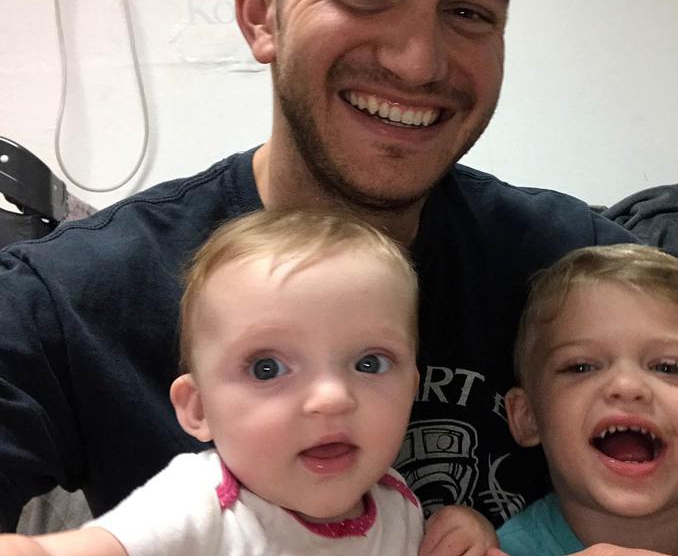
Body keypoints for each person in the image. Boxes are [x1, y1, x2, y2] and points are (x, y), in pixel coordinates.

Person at [0, 0, 678, 554]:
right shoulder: (75, 294)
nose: (419, 62)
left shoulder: (565, 260)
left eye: (467, 10)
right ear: (261, 13)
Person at [0, 209, 497, 555]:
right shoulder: (202, 504)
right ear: (198, 408)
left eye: (370, 363)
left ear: (412, 385)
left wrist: (461, 530)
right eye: (267, 368)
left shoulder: (397, 502)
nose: (331, 398)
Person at [495, 244, 678, 555]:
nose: (627, 386)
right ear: (528, 416)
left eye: (668, 367)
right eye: (581, 366)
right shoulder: (505, 551)